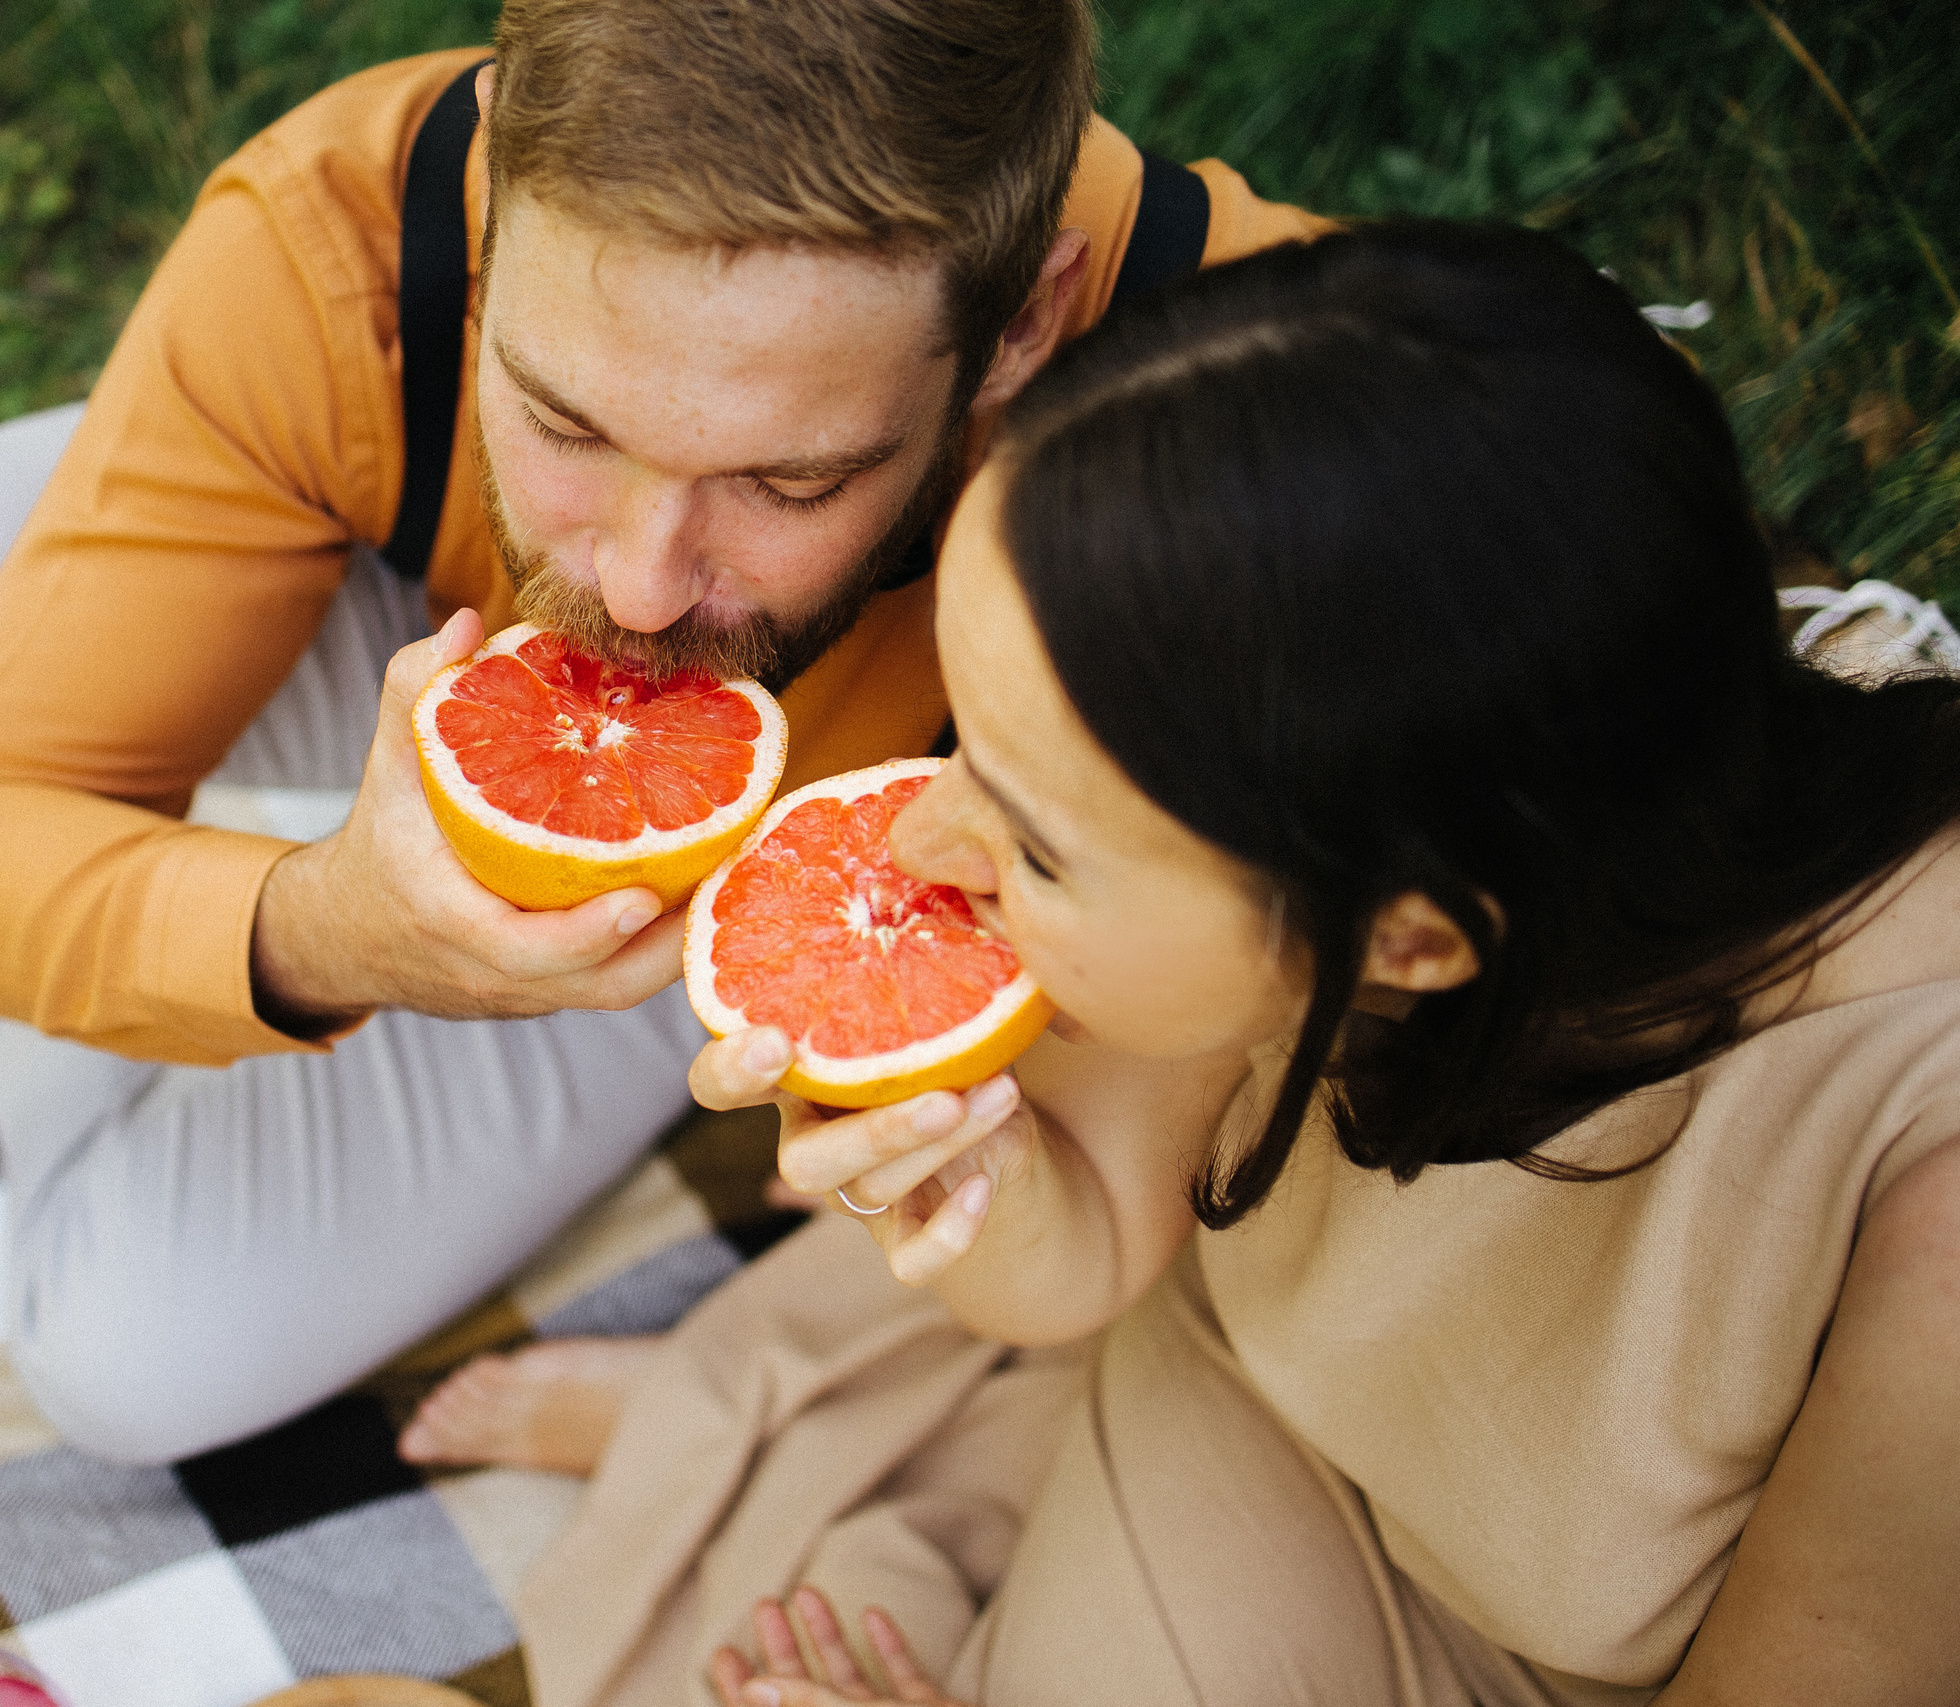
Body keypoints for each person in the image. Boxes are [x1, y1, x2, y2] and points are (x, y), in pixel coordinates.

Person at [0, 0, 1328, 1506]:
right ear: (497, 213)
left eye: (791, 476)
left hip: (711, 904)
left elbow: (1137, 1160)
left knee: (125, 1357)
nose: (647, 589)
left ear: (1025, 333)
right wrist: (331, 922)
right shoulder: (335, 231)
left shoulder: (1283, 416)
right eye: (568, 418)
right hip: (390, 593)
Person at [421, 223, 1960, 1704]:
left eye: (1034, 843)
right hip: (1247, 1390)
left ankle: (762, 1415)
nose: (913, 847)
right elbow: (1088, 1228)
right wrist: (991, 1188)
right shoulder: (1346, 759)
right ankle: (743, 1411)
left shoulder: (1927, 1205)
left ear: (1411, 942)